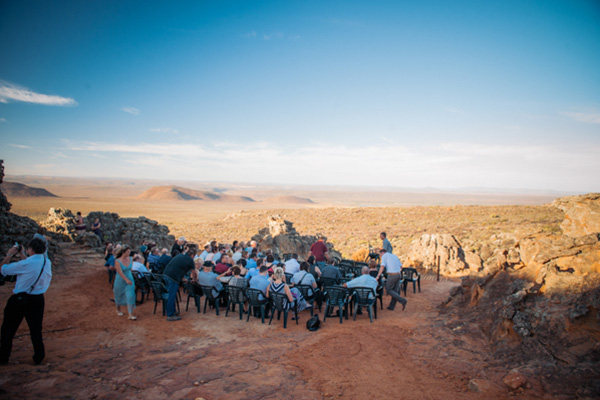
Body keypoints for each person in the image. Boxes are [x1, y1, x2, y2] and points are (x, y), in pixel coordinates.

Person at [0, 237, 52, 365]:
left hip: (20, 300)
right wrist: (23, 254)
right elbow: (31, 264)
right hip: (38, 299)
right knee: (36, 330)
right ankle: (39, 356)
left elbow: (3, 269)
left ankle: (3, 357)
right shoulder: (47, 262)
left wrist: (10, 254)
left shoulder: (26, 264)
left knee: (8, 329)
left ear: (31, 249)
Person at [163, 246, 197, 321]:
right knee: (172, 295)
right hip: (173, 278)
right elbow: (194, 272)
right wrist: (194, 280)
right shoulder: (190, 260)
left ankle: (171, 311)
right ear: (193, 255)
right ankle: (170, 314)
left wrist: (183, 278)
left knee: (171, 294)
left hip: (166, 275)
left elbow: (177, 268)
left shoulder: (180, 255)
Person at [113, 245, 137, 320]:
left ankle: (130, 314)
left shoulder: (131, 259)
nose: (129, 253)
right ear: (123, 252)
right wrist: (126, 280)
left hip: (130, 279)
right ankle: (118, 309)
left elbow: (130, 269)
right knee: (118, 295)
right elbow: (119, 272)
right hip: (120, 280)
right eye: (128, 252)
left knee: (130, 295)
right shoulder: (117, 261)